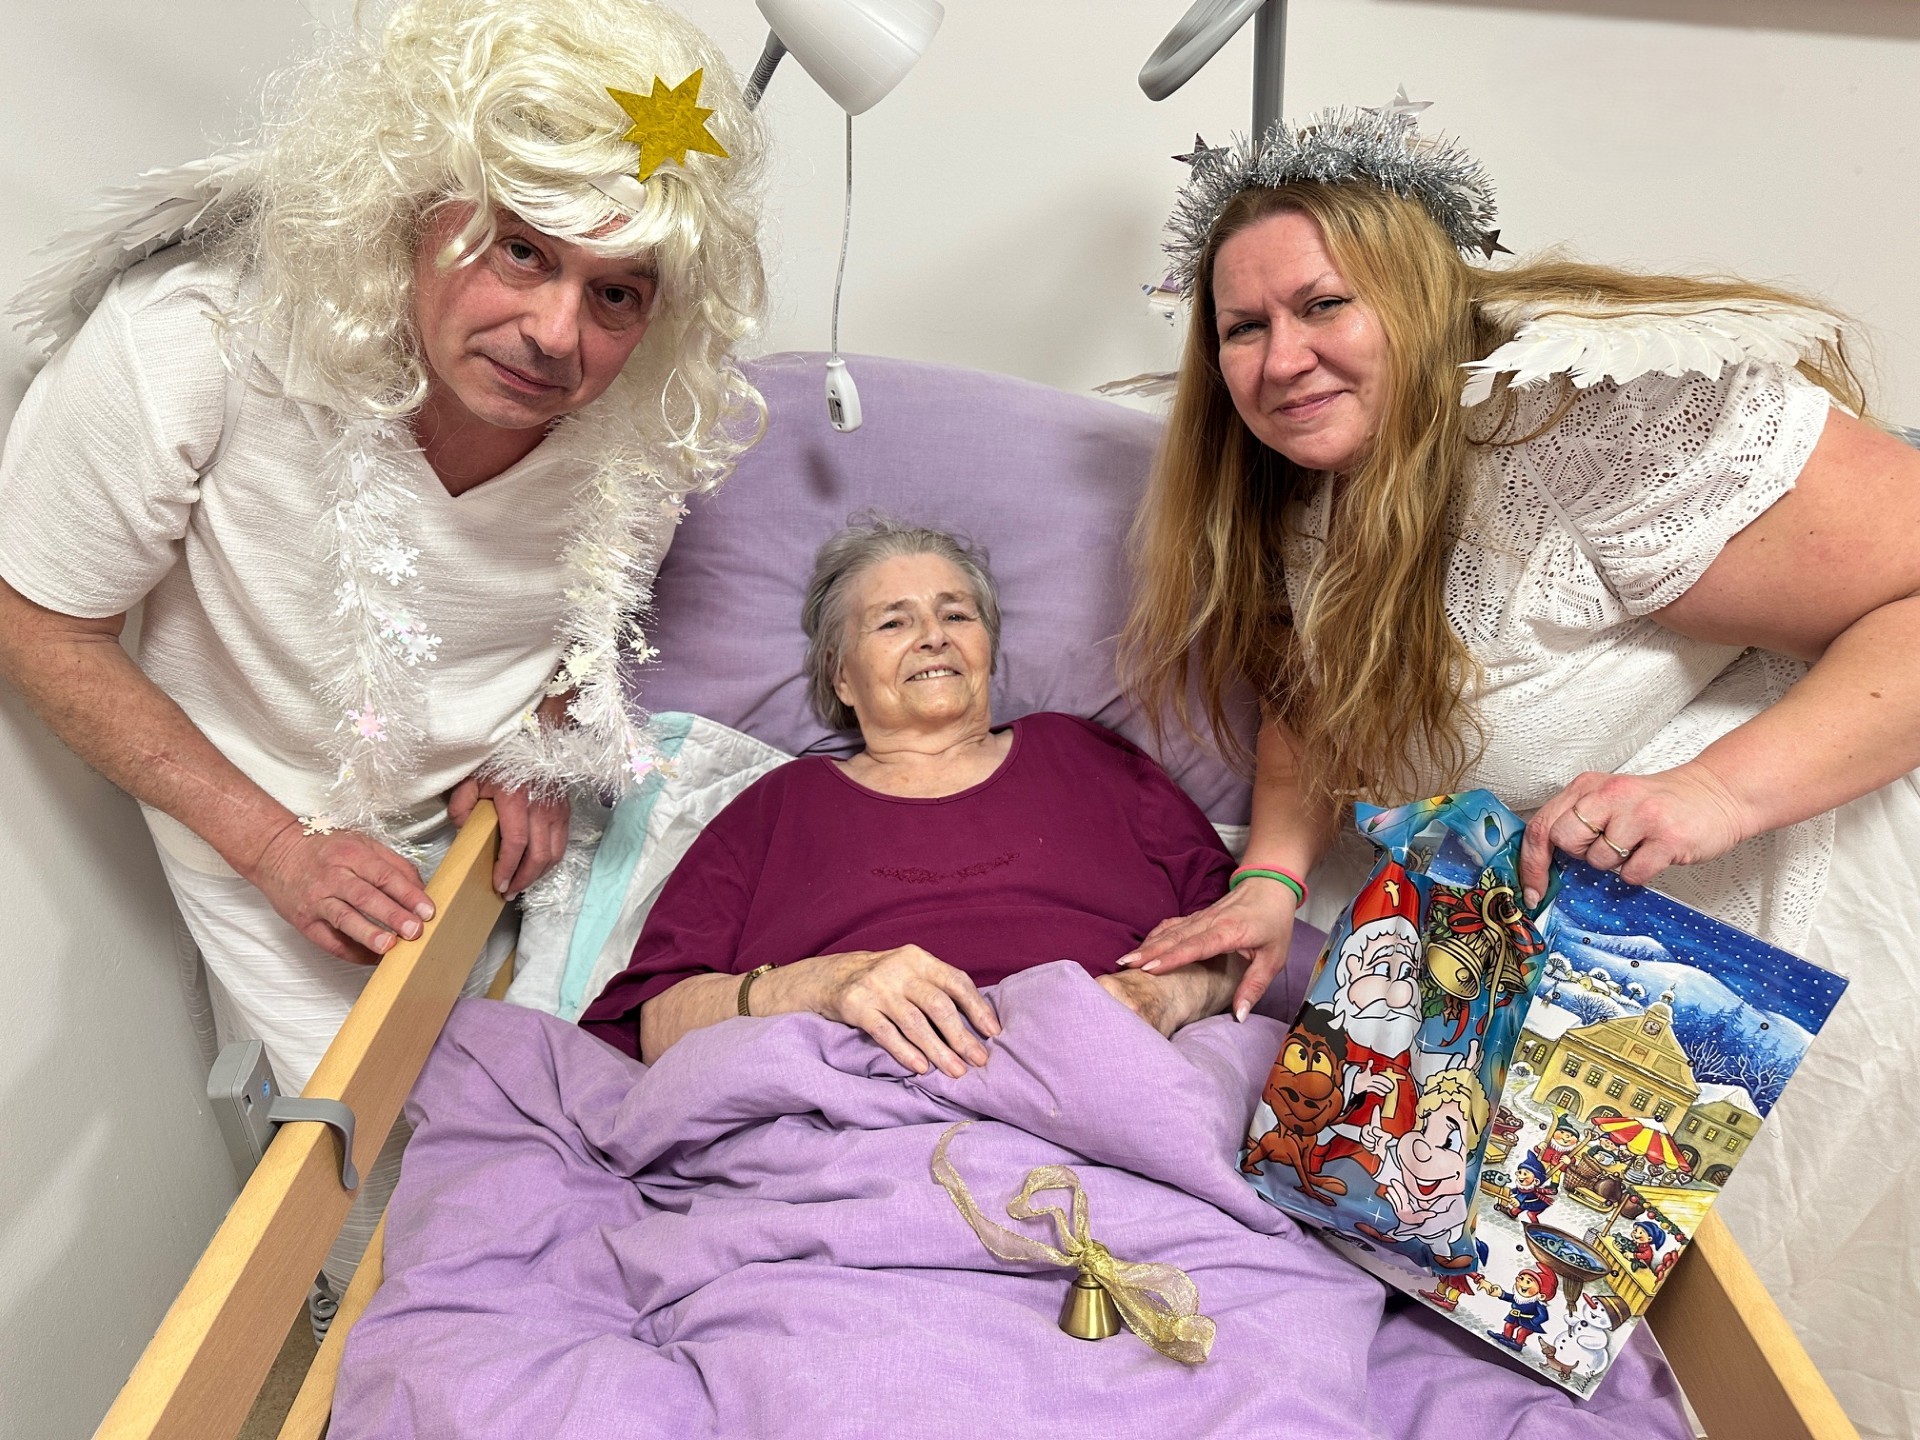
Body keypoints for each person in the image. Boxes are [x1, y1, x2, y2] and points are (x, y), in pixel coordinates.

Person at [1116, 99, 1919, 1436]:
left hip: (1781, 904)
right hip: (1524, 944)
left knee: (1762, 1370)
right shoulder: (1300, 485)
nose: (1281, 358)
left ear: (1420, 296)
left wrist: (1713, 793)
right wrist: (1270, 877)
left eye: (1324, 305)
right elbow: (1314, 703)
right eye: (1242, 328)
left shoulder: (1580, 430)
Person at [0, 0, 764, 1316]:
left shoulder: (637, 414)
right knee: (429, 1247)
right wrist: (272, 846)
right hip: (285, 840)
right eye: (520, 250)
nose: (558, 334)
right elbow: (36, 619)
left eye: (616, 292)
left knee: (688, 1135)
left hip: (515, 833)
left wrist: (540, 744)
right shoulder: (191, 341)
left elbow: (587, 610)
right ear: (417, 207)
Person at [580, 519, 1244, 1069]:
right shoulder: (776, 806)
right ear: (842, 677)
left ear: (987, 649)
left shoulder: (1087, 757)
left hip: (1108, 1072)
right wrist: (823, 983)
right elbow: (655, 1025)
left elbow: (1248, 937)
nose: (934, 635)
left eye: (956, 614)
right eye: (893, 623)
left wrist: (1163, 997)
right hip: (848, 1100)